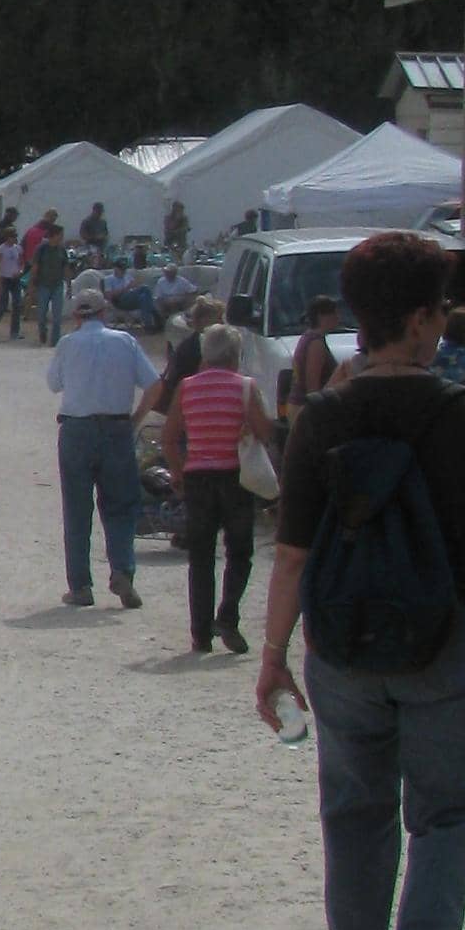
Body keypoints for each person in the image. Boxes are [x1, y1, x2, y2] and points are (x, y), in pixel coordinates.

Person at [256, 229, 465, 930]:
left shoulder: (322, 418)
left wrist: (272, 658)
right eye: (438, 310)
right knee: (451, 810)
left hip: (343, 644)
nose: (443, 324)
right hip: (450, 639)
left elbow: (293, 554)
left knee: (355, 812)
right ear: (415, 320)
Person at [47, 277, 160, 607]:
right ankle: (123, 570)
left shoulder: (68, 344)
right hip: (116, 428)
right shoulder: (125, 341)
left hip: (76, 429)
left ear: (77, 315)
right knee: (121, 505)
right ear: (104, 312)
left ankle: (80, 585)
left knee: (77, 508)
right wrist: (136, 418)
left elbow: (54, 384)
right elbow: (155, 385)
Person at [165, 321, 273, 654]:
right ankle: (227, 614)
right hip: (234, 478)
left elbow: (169, 438)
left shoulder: (187, 387)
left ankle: (200, 633)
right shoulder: (245, 387)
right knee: (239, 552)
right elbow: (265, 433)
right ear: (235, 354)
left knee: (201, 557)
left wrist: (179, 473)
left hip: (198, 478)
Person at [281, 293, 346, 428]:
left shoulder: (308, 337)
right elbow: (313, 386)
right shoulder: (316, 343)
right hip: (304, 409)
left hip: (298, 407)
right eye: (335, 315)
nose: (338, 319)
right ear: (322, 317)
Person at [30, 217, 71, 347]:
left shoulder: (62, 250)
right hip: (43, 285)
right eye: (60, 235)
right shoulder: (41, 249)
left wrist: (69, 284)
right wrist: (32, 284)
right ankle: (43, 331)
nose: (62, 237)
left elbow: (66, 267)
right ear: (54, 235)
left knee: (57, 315)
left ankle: (55, 341)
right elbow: (35, 266)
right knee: (41, 314)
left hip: (57, 285)